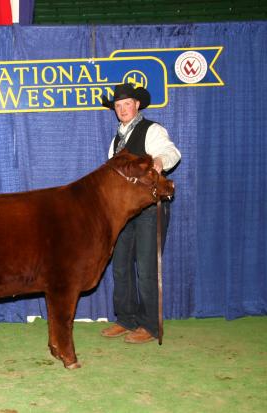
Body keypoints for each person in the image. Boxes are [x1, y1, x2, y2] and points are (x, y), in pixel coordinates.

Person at [100, 83, 181, 343]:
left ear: (137, 105)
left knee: (146, 267)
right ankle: (126, 318)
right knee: (121, 265)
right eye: (118, 106)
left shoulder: (151, 130)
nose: (123, 109)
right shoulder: (116, 140)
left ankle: (150, 325)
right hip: (122, 211)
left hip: (148, 208)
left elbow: (171, 152)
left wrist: (158, 162)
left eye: (127, 104)